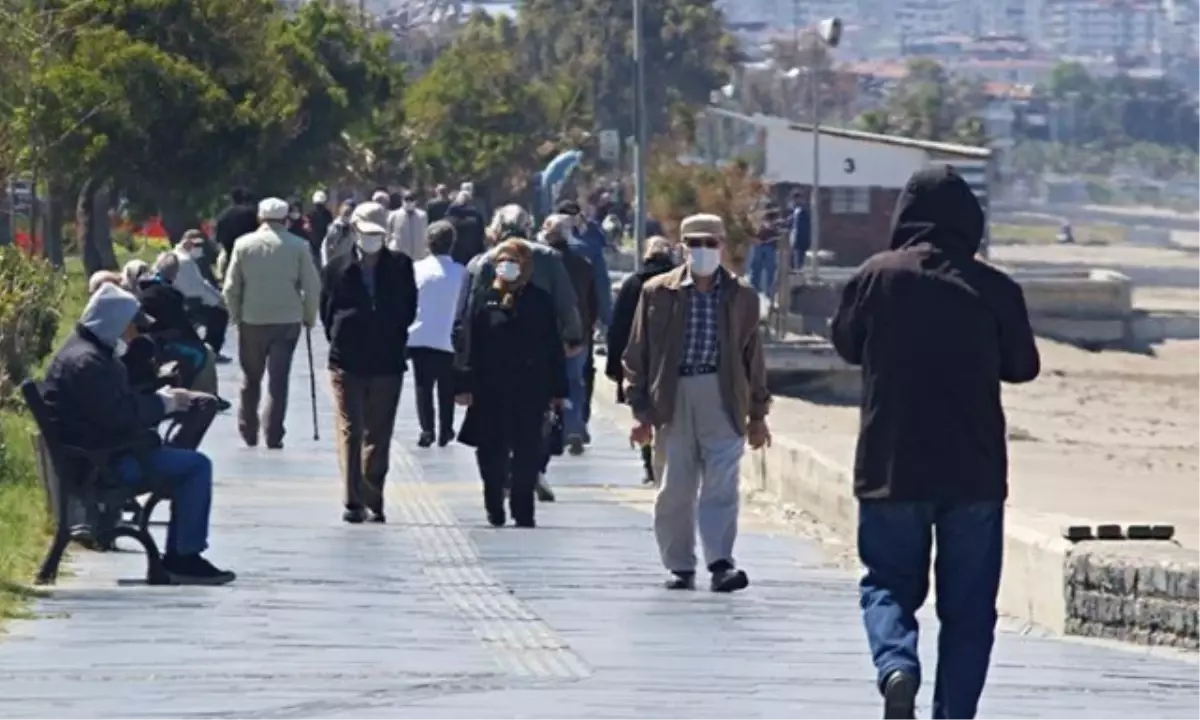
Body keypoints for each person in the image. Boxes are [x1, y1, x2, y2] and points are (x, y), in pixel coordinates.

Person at [829, 166, 1040, 720]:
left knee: (887, 586)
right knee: (969, 611)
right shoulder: (994, 287)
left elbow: (847, 345)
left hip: (889, 468)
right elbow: (1024, 367)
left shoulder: (875, 277)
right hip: (973, 473)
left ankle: (897, 666)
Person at [41, 283, 235, 584]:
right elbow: (117, 416)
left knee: (188, 461)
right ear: (116, 323)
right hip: (104, 465)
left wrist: (165, 395)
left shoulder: (86, 353)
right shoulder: (88, 363)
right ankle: (183, 557)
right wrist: (166, 404)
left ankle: (183, 551)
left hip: (100, 454)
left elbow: (114, 405)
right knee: (196, 467)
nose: (133, 336)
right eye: (132, 328)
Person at [623, 213, 772, 594]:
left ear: (722, 245)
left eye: (711, 243)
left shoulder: (741, 295)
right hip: (672, 396)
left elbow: (752, 357)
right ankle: (679, 565)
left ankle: (721, 562)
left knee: (722, 481)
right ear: (682, 248)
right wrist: (640, 411)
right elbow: (637, 353)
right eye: (696, 244)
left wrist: (758, 414)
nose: (704, 250)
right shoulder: (658, 291)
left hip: (723, 394)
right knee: (675, 485)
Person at [460, 205, 584, 503]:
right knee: (534, 421)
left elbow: (470, 313)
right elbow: (566, 304)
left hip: (494, 357)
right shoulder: (549, 258)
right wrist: (572, 337)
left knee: (495, 423)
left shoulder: (483, 261)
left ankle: (503, 475)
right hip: (538, 355)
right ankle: (529, 471)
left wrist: (464, 364)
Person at [454, 239, 567, 528]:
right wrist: (464, 382)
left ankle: (523, 507)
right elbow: (469, 341)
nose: (508, 266)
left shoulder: (540, 300)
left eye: (514, 261)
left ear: (526, 266)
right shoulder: (483, 298)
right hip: (489, 389)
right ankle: (493, 501)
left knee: (528, 450)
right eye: (502, 260)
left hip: (530, 389)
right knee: (490, 450)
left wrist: (558, 389)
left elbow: (552, 346)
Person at [320, 201, 417, 524]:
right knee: (351, 428)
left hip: (387, 359)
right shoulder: (336, 267)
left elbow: (409, 307)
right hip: (347, 359)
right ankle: (352, 500)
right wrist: (340, 335)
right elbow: (327, 310)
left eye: (377, 233)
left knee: (379, 430)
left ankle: (373, 493)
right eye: (366, 232)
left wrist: (392, 331)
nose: (371, 239)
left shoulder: (401, 265)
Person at [223, 197, 322, 449]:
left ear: (260, 218)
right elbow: (311, 287)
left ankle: (248, 429)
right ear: (286, 219)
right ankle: (274, 433)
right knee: (279, 380)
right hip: (286, 321)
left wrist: (236, 317)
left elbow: (231, 287)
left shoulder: (242, 244)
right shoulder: (298, 246)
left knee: (251, 378)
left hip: (252, 320)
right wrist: (309, 317)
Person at [606, 236, 677, 486]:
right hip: (669, 361)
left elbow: (618, 327)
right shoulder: (679, 284)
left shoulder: (633, 284)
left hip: (638, 360)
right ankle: (668, 464)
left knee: (644, 411)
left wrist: (615, 365)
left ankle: (649, 463)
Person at [538, 214, 597, 456]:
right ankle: (573, 427)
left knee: (544, 385)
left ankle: (547, 431)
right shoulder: (583, 263)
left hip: (545, 335)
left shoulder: (539, 264)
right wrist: (586, 331)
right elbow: (593, 301)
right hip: (577, 336)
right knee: (574, 383)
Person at [409, 220, 466, 448]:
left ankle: (427, 429)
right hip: (448, 336)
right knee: (446, 385)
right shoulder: (460, 272)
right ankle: (446, 429)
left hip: (420, 334)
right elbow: (463, 305)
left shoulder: (416, 268)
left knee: (423, 385)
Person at [139, 253, 224, 404]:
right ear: (174, 273)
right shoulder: (169, 294)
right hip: (162, 342)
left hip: (150, 340)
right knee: (202, 353)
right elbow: (182, 325)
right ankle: (192, 393)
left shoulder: (144, 289)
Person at [174, 230, 230, 362]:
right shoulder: (184, 261)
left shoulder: (186, 259)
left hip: (188, 300)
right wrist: (217, 302)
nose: (199, 248)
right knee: (220, 315)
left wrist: (219, 297)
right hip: (188, 302)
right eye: (196, 244)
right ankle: (211, 351)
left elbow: (202, 283)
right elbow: (196, 290)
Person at [214, 187, 259, 274]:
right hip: (250, 257)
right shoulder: (251, 213)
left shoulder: (223, 215)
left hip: (230, 258)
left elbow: (218, 239)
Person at [446, 189, 486, 265]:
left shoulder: (452, 211)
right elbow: (481, 234)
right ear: (470, 201)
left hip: (456, 252)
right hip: (473, 252)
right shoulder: (476, 214)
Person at [387, 190, 429, 260]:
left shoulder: (423, 215)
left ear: (415, 201)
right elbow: (388, 235)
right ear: (402, 200)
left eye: (411, 199)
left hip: (418, 257)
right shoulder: (394, 215)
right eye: (406, 199)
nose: (409, 202)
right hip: (399, 256)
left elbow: (425, 234)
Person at [321, 199, 356, 268]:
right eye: (346, 212)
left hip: (348, 266)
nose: (347, 214)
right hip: (333, 264)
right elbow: (325, 246)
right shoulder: (334, 227)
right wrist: (325, 264)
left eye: (350, 212)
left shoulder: (354, 227)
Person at [307, 190, 334, 265]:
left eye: (320, 204)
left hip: (324, 242)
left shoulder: (327, 214)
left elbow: (330, 227)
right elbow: (308, 228)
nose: (319, 207)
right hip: (313, 243)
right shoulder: (310, 214)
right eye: (318, 204)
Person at [790, 192, 811, 271]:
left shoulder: (803, 211)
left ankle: (797, 269)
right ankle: (795, 269)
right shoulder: (794, 210)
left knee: (798, 256)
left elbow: (803, 226)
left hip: (800, 238)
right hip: (795, 237)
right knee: (794, 256)